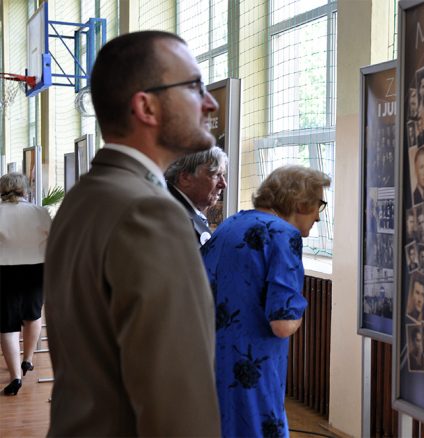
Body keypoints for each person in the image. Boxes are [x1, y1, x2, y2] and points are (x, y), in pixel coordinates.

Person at [44, 31, 221, 435]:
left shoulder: (84, 197)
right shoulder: (149, 211)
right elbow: (177, 403)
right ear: (146, 106)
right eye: (194, 86)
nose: (209, 102)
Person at [202, 165, 330, 437]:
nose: (319, 216)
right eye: (319, 204)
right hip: (252, 367)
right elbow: (282, 324)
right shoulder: (283, 234)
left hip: (210, 360)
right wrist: (298, 308)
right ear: (300, 202)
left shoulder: (230, 225)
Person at [0, 173, 52, 396]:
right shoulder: (39, 212)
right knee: (33, 314)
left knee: (7, 325)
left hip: (4, 270)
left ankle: (15, 377)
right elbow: (54, 238)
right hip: (35, 269)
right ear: (24, 190)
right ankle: (28, 359)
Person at [165, 146, 228, 246]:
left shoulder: (177, 209)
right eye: (216, 175)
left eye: (223, 175)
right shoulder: (172, 218)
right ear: (185, 178)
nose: (223, 184)